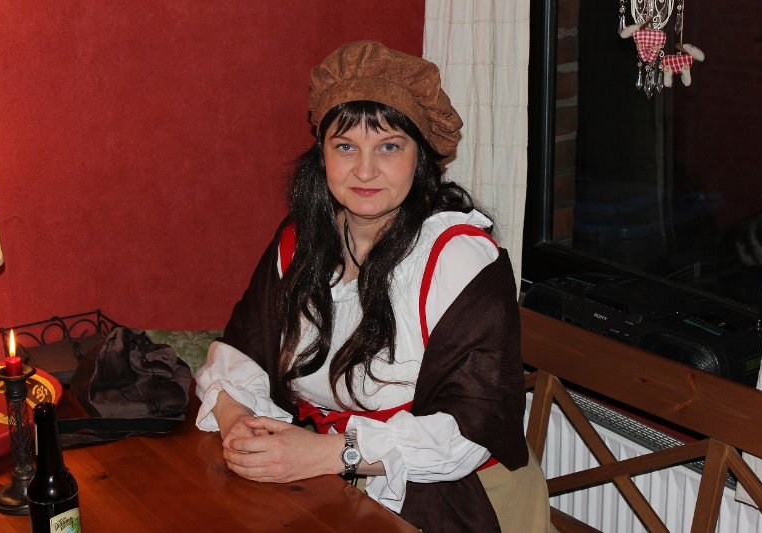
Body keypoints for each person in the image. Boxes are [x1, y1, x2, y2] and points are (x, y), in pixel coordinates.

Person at [195, 40, 552, 532]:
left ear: (421, 157)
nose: (365, 171)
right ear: (322, 153)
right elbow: (245, 348)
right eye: (346, 146)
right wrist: (237, 419)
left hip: (458, 495)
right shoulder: (301, 244)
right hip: (329, 482)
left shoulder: (457, 261)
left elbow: (472, 432)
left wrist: (328, 453)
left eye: (389, 146)